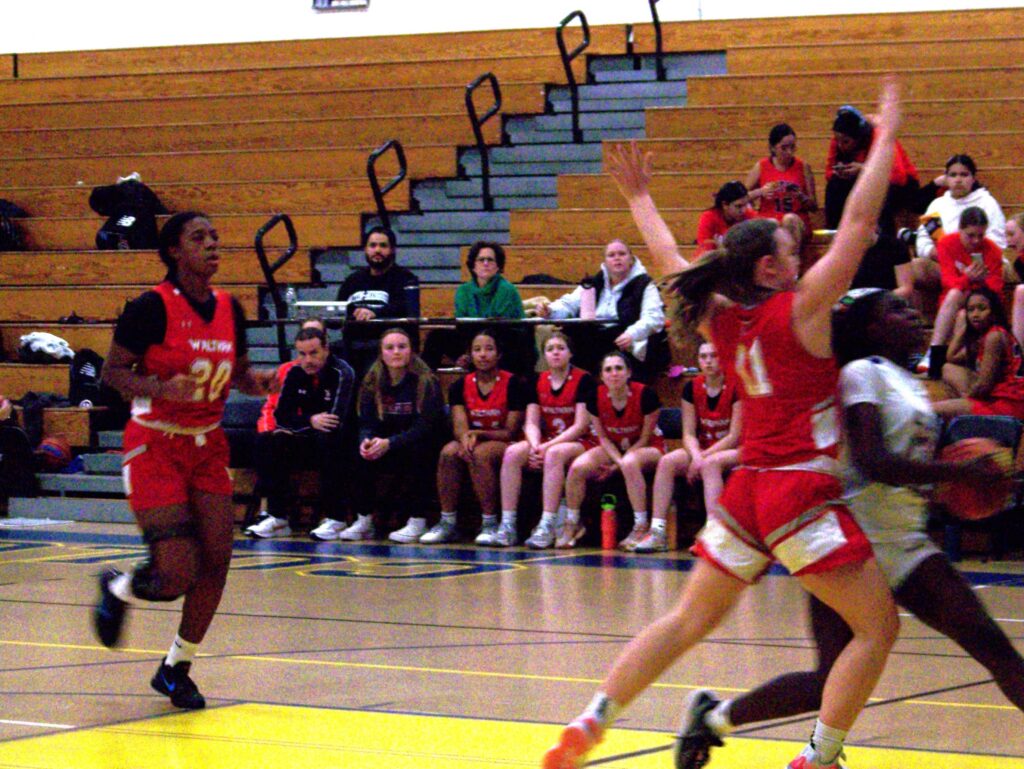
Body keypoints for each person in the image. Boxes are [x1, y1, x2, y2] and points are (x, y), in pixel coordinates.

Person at [543, 79, 902, 769]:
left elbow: (672, 262)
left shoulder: (721, 318)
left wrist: (639, 199)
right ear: (769, 267)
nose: (802, 252)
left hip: (746, 494)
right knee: (877, 628)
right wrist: (885, 140)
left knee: (684, 622)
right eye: (791, 249)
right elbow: (857, 226)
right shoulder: (800, 311)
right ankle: (819, 757)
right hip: (799, 493)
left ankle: (593, 718)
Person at [674, 288, 1024, 769]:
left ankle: (814, 754)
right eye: (896, 310)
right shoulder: (861, 374)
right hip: (848, 545)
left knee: (990, 643)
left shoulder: (912, 382)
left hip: (904, 543)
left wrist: (949, 488)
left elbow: (904, 467)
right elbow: (873, 460)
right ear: (872, 328)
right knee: (827, 680)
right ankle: (716, 720)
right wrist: (961, 474)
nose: (913, 314)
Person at [93, 211, 277, 709]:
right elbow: (112, 372)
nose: (213, 245)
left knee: (216, 562)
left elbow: (234, 371)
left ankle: (176, 667)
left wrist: (252, 381)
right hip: (155, 444)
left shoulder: (228, 308)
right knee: (175, 573)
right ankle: (120, 587)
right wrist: (159, 387)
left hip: (206, 443)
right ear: (174, 250)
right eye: (200, 238)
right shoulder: (150, 307)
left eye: (216, 237)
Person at [250, 327, 357, 542]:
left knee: (328, 440)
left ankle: (336, 517)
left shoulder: (343, 373)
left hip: (344, 439)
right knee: (271, 440)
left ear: (326, 349)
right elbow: (282, 416)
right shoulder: (295, 372)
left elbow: (335, 421)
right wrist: (310, 420)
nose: (307, 360)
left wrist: (301, 423)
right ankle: (277, 516)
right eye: (302, 354)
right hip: (309, 434)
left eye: (313, 353)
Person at [421, 329, 527, 545]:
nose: (483, 354)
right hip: (474, 439)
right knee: (449, 452)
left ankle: (489, 522)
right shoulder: (460, 385)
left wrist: (478, 434)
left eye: (489, 349)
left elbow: (510, 431)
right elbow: (460, 426)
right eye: (477, 350)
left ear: (499, 354)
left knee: (479, 454)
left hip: (505, 440)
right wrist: (464, 439)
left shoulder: (513, 383)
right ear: (470, 354)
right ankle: (448, 522)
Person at [634, 340, 740, 553]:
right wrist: (696, 457)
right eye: (704, 357)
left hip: (737, 449)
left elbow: (734, 436)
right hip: (703, 448)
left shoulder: (737, 385)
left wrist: (701, 459)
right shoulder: (692, 387)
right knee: (667, 462)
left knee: (710, 464)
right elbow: (689, 433)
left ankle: (712, 535)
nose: (708, 361)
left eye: (714, 356)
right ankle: (658, 532)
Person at [558, 351, 664, 550]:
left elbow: (645, 437)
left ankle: (641, 526)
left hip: (648, 447)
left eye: (618, 368)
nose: (614, 373)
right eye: (608, 369)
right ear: (601, 376)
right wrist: (618, 460)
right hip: (614, 446)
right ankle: (572, 524)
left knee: (630, 462)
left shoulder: (646, 395)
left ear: (628, 372)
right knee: (578, 467)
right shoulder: (594, 397)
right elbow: (603, 438)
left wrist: (618, 465)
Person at [499, 332, 595, 549]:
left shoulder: (584, 379)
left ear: (570, 353)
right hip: (548, 439)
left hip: (582, 441)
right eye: (550, 349)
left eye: (561, 347)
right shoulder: (536, 380)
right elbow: (531, 422)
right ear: (544, 355)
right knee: (513, 453)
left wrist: (545, 447)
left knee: (554, 453)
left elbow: (580, 425)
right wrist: (534, 446)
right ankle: (507, 524)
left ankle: (548, 523)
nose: (555, 352)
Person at [354, 328, 445, 544]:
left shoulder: (426, 382)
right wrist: (365, 441)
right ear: (381, 353)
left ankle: (417, 520)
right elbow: (366, 422)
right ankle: (364, 519)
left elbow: (425, 428)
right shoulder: (372, 382)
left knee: (420, 453)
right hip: (388, 444)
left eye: (402, 347)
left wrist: (390, 443)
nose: (396, 352)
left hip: (419, 443)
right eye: (390, 348)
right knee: (359, 453)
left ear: (412, 351)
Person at [536, 239, 667, 382]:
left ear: (631, 260)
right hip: (596, 338)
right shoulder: (595, 282)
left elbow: (654, 318)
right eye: (611, 255)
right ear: (605, 262)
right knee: (568, 337)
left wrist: (632, 333)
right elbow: (569, 303)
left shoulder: (645, 284)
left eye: (622, 254)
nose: (617, 258)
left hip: (625, 340)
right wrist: (550, 310)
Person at [244, 316, 327, 538]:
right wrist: (272, 430)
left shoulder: (336, 372)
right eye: (303, 348)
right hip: (288, 435)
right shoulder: (287, 371)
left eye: (315, 339)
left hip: (318, 437)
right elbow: (272, 410)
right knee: (267, 441)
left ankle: (331, 515)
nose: (308, 353)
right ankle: (274, 515)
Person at [909, 154, 1007, 318]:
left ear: (973, 178)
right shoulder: (937, 204)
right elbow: (923, 241)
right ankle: (920, 323)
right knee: (914, 267)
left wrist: (971, 263)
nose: (958, 180)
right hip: (945, 265)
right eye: (953, 175)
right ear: (946, 178)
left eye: (964, 175)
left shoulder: (987, 202)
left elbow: (996, 242)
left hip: (981, 265)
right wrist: (936, 253)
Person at [421, 241, 534, 375]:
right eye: (481, 260)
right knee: (436, 337)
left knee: (510, 339)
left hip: (503, 343)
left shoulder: (507, 289)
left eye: (490, 260)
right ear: (473, 266)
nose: (485, 263)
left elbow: (497, 326)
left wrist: (473, 354)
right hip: (472, 339)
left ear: (498, 266)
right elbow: (463, 325)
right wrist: (467, 352)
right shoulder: (463, 291)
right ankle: (425, 384)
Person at [917, 206, 1004, 379]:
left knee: (965, 312)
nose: (976, 241)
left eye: (981, 235)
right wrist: (967, 278)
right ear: (960, 230)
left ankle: (950, 363)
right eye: (970, 235)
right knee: (956, 297)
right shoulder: (947, 243)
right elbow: (948, 281)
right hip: (955, 298)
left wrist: (979, 281)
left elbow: (995, 290)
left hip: (983, 299)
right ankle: (936, 354)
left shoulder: (992, 250)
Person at [335, 226, 420, 380]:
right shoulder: (352, 280)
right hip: (351, 344)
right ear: (365, 250)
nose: (377, 250)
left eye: (383, 246)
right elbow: (338, 310)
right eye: (373, 245)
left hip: (383, 347)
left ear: (392, 250)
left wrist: (375, 313)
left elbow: (405, 309)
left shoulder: (405, 278)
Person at [824, 103, 918, 236]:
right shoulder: (839, 140)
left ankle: (885, 237)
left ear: (858, 138)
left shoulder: (879, 138)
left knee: (877, 194)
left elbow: (899, 177)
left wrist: (864, 169)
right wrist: (840, 172)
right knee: (835, 184)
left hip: (902, 186)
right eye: (838, 141)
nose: (841, 145)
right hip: (867, 179)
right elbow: (828, 173)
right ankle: (835, 232)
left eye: (845, 142)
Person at [932, 286, 1024, 419]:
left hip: (1009, 403)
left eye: (982, 309)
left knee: (931, 409)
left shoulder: (994, 337)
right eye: (970, 310)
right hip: (998, 395)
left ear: (993, 312)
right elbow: (952, 357)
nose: (975, 314)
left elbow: (984, 386)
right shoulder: (985, 335)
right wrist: (964, 328)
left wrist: (965, 400)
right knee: (948, 368)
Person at [744, 123, 818, 244]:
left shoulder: (803, 167)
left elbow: (814, 206)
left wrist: (801, 197)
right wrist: (761, 191)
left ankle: (791, 259)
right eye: (784, 148)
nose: (789, 152)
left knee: (790, 220)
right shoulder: (762, 166)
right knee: (770, 224)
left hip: (796, 219)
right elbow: (742, 197)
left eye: (792, 147)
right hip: (769, 218)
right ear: (773, 148)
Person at [694, 181, 756, 257]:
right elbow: (704, 249)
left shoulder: (750, 216)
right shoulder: (709, 217)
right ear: (725, 205)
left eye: (746, 205)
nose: (743, 210)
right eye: (738, 206)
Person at [1007, 212, 1024, 345]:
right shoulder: (1018, 264)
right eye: (1006, 235)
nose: (1007, 240)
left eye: (1012, 234)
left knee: (1020, 291)